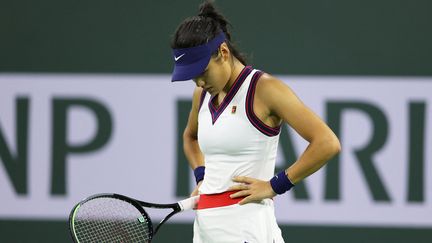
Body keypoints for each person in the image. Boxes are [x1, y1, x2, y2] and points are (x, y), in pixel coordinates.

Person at [170, 1, 341, 242]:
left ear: (223, 53)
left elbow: (327, 142)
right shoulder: (202, 95)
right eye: (191, 76)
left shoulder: (265, 89)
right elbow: (190, 137)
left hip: (248, 229)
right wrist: (202, 176)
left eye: (202, 72)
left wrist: (275, 185)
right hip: (206, 229)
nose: (198, 82)